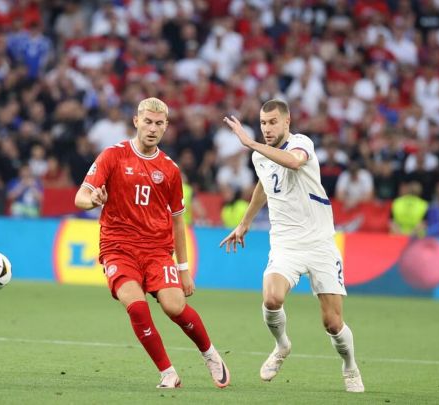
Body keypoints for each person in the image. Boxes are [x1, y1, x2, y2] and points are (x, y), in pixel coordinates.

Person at [74, 97, 230, 389]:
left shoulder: (170, 170)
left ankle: (209, 354)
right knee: (136, 307)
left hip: (157, 250)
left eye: (159, 123)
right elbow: (80, 196)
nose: (152, 128)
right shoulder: (113, 155)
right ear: (136, 121)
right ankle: (168, 373)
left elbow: (178, 222)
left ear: (166, 127)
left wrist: (183, 269)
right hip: (118, 247)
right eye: (147, 121)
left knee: (174, 307)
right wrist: (93, 200)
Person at [220, 99, 364, 393]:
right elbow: (264, 185)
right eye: (263, 123)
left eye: (273, 122)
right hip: (286, 243)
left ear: (287, 122)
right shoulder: (260, 156)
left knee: (332, 322)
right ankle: (282, 345)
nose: (267, 128)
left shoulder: (301, 143)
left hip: (320, 243)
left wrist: (250, 142)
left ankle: (350, 366)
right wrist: (245, 223)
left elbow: (294, 162)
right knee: (272, 298)